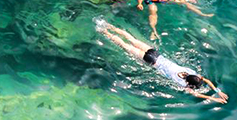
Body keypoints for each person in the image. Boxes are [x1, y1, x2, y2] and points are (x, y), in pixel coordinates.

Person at [95, 18, 228, 104]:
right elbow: (198, 95)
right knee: (126, 46)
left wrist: (217, 91)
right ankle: (105, 32)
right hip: (152, 61)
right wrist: (214, 97)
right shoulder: (183, 84)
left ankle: (108, 26)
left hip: (156, 54)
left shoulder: (190, 72)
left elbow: (206, 80)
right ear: (191, 84)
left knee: (132, 39)